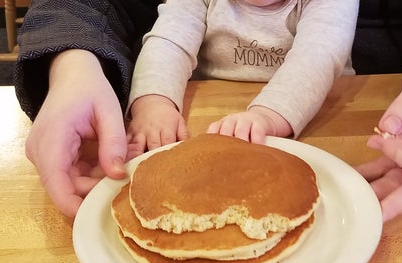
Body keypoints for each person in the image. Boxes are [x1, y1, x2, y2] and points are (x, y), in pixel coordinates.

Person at [15, 0, 402, 219]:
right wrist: (146, 97)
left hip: (357, 134)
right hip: (201, 133)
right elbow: (169, 35)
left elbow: (320, 57)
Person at [126, 0, 357, 155]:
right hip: (210, 118)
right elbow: (169, 41)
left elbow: (318, 57)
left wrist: (266, 116)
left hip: (320, 122)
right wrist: (154, 103)